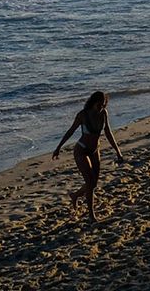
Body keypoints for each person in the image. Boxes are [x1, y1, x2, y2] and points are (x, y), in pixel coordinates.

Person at [53, 91, 123, 221]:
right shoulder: (83, 115)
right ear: (93, 102)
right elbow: (70, 131)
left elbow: (108, 132)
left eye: (103, 105)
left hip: (95, 150)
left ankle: (75, 195)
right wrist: (58, 148)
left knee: (93, 183)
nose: (101, 107)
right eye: (99, 104)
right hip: (81, 150)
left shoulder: (103, 113)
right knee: (89, 182)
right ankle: (91, 215)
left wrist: (118, 151)